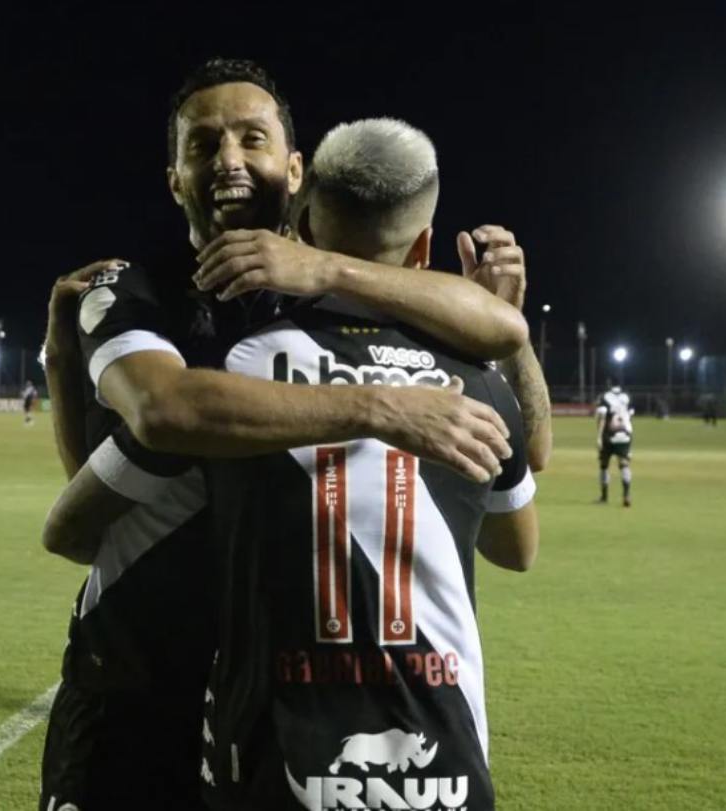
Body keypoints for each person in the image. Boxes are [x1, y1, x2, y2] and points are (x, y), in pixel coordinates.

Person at [37, 59, 534, 811]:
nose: (229, 159)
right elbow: (147, 432)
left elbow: (502, 336)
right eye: (202, 146)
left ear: (293, 170)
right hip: (136, 673)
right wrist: (379, 407)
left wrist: (333, 272)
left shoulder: (336, 302)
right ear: (173, 176)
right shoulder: (133, 293)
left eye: (251, 139)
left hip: (265, 696)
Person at [596, 380, 634, 506]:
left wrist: (599, 437)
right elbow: (630, 415)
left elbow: (602, 418)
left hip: (609, 434)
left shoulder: (605, 397)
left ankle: (604, 497)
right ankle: (626, 495)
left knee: (604, 465)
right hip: (625, 435)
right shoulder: (626, 396)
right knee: (624, 464)